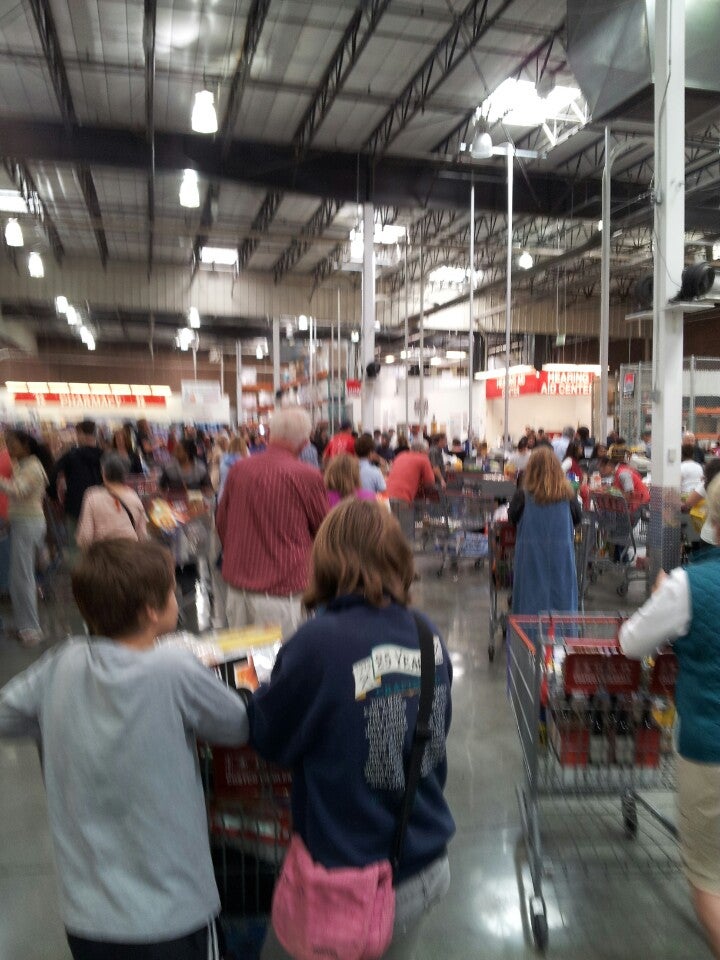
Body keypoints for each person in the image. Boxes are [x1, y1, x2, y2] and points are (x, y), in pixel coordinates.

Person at [0, 539, 248, 960]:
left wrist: (57, 715)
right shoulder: (173, 669)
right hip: (174, 912)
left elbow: (7, 714)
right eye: (171, 591)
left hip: (88, 919)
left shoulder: (61, 663)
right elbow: (237, 725)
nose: (176, 597)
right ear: (151, 610)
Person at [248, 499, 455, 960]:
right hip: (422, 862)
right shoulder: (427, 633)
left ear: (325, 561)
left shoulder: (316, 643)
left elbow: (269, 738)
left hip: (348, 880)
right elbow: (436, 726)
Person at [619, 474, 720, 958]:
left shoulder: (690, 585)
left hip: (709, 747)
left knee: (709, 876)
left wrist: (664, 595)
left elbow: (631, 643)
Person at [216, 408, 328, 640]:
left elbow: (222, 521)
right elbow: (324, 530)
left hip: (238, 591)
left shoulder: (239, 470)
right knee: (282, 661)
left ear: (270, 433)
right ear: (305, 442)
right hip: (283, 595)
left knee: (243, 660)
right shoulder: (307, 476)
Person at [508, 446, 580, 615]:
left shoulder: (522, 496)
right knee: (562, 597)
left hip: (531, 557)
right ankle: (562, 630)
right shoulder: (569, 495)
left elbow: (512, 518)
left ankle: (527, 631)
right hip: (561, 557)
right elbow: (577, 519)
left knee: (529, 598)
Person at [0, 430, 53, 646]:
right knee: (18, 578)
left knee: (23, 578)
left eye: (13, 444)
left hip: (28, 525)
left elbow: (18, 490)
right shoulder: (24, 465)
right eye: (7, 444)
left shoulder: (32, 467)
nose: (9, 449)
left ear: (26, 445)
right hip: (23, 523)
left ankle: (31, 629)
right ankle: (25, 626)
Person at [48, 420, 103, 546]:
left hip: (75, 504)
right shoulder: (105, 455)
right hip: (100, 504)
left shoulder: (71, 455)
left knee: (74, 545)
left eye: (77, 433)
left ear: (82, 434)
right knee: (97, 544)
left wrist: (53, 495)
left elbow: (53, 474)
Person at [75, 453, 147, 549]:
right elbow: (142, 535)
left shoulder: (92, 496)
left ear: (104, 473)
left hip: (103, 553)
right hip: (129, 552)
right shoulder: (134, 497)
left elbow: (85, 537)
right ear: (124, 475)